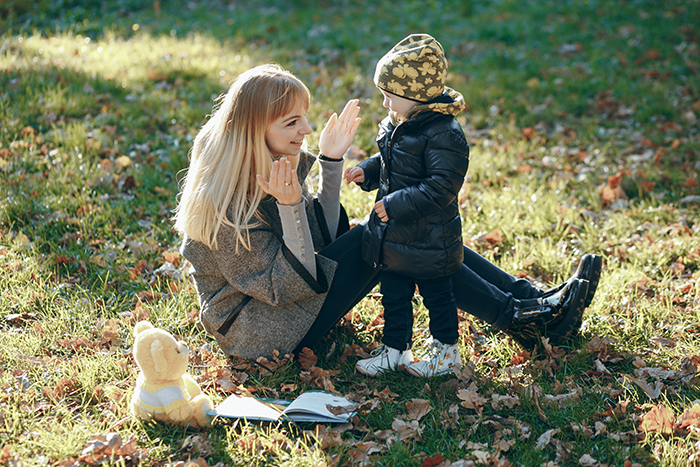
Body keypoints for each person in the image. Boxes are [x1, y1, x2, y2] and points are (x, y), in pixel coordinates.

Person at [173, 62, 600, 368]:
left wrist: (331, 162)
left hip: (285, 300)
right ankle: (523, 317)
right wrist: (289, 206)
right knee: (384, 233)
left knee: (395, 233)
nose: (305, 130)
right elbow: (286, 285)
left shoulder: (272, 161)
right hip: (257, 328)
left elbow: (318, 239)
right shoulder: (224, 204)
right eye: (292, 122)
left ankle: (530, 302)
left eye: (305, 117)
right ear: (254, 130)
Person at [344, 34, 598, 377]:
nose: (386, 105)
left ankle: (530, 315)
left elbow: (442, 184)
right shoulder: (401, 124)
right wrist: (369, 171)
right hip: (400, 233)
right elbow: (393, 162)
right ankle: (532, 306)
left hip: (425, 230)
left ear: (416, 96)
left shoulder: (442, 132)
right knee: (396, 298)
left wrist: (396, 203)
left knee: (439, 296)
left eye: (390, 97)